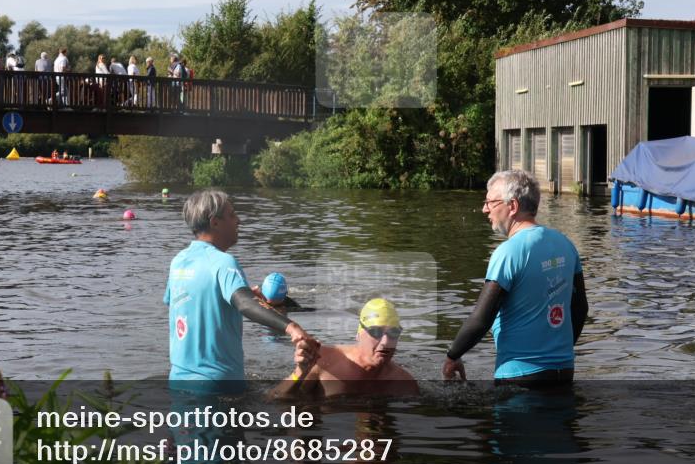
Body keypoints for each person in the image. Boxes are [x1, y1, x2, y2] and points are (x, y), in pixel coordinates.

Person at [442, 170, 588, 388]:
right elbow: (581, 308)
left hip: (519, 376)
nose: (485, 209)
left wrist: (453, 356)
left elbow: (482, 318)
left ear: (512, 206)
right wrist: (559, 353)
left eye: (490, 202)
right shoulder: (565, 244)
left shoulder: (509, 252)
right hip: (564, 371)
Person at [164, 190, 319, 392]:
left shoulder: (178, 261)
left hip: (178, 381)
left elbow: (188, 303)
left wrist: (240, 294)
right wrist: (292, 328)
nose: (238, 220)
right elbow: (244, 304)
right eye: (232, 214)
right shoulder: (222, 262)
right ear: (215, 222)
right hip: (218, 384)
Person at [274, 298, 419, 399]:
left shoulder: (404, 384)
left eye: (393, 333)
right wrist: (300, 372)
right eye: (376, 332)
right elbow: (275, 400)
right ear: (359, 333)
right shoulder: (323, 361)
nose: (385, 342)